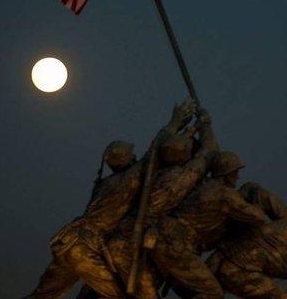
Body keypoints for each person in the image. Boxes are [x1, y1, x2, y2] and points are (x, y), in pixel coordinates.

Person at [23, 100, 195, 299]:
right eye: (132, 155)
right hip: (84, 247)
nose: (135, 157)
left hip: (68, 243)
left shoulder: (105, 183)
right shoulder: (125, 181)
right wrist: (174, 122)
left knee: (41, 295)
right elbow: (153, 154)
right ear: (127, 160)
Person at [99, 108, 219, 299]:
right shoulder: (178, 178)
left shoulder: (149, 175)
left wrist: (179, 125)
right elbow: (210, 151)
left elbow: (155, 149)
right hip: (130, 247)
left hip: (126, 242)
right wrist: (205, 125)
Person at [151, 152, 268, 299]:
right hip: (177, 247)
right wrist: (256, 202)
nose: (237, 177)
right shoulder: (225, 195)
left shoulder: (201, 185)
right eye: (235, 172)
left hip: (162, 241)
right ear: (226, 173)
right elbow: (259, 218)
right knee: (213, 293)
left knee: (192, 293)